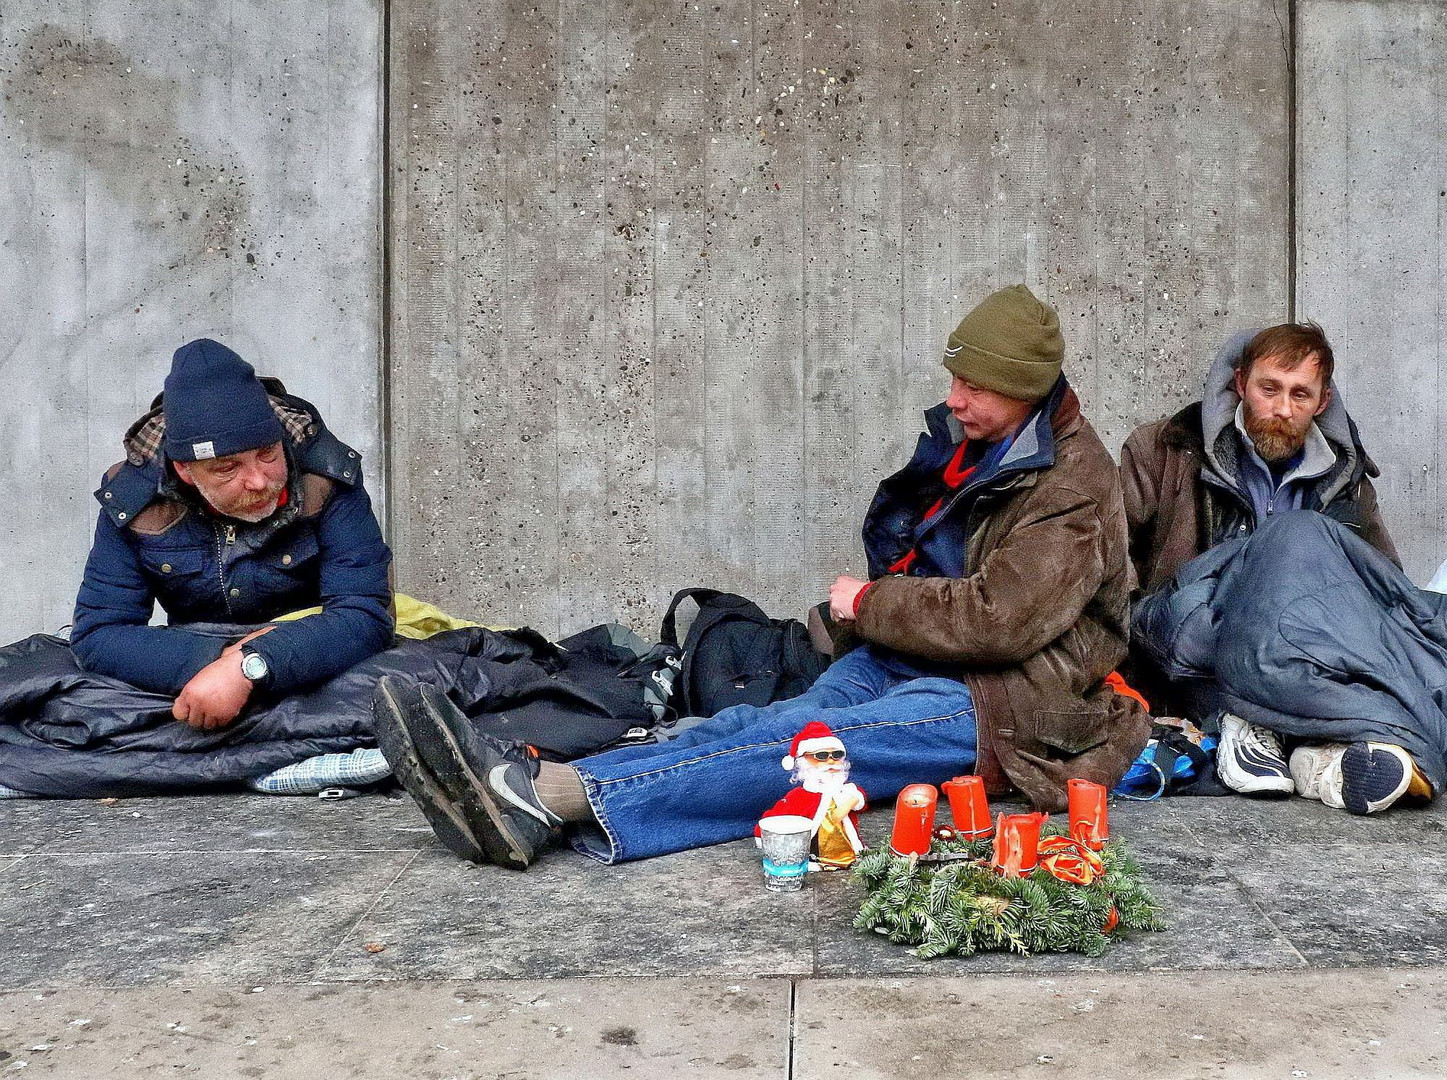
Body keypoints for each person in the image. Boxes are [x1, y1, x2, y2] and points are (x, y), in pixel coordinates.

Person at [375, 285, 1149, 869]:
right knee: (756, 727)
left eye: (974, 387)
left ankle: (548, 801)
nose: (954, 399)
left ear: (1025, 387)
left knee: (805, 744)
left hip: (1008, 702)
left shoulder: (1072, 480)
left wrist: (872, 602)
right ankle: (539, 785)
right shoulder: (978, 447)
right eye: (955, 381)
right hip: (911, 663)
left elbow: (998, 619)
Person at [1121, 323, 1427, 813]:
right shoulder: (1164, 450)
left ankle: (1314, 759)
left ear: (1322, 402)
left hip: (1297, 655)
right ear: (1240, 383)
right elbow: (1111, 570)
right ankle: (1279, 729)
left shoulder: (1344, 481)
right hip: (1192, 647)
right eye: (1269, 389)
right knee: (1286, 543)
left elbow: (1378, 587)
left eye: (1300, 395)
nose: (1283, 410)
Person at [70, 338, 394, 731]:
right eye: (227, 469)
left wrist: (251, 665)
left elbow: (364, 614)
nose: (258, 480)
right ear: (186, 471)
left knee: (419, 681)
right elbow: (98, 634)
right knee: (45, 694)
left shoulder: (324, 477)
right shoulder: (134, 498)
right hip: (194, 664)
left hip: (317, 659)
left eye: (268, 455)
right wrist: (223, 661)